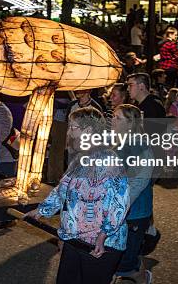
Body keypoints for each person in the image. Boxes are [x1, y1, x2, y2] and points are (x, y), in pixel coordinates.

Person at [26, 107, 130, 284]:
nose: (69, 132)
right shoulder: (80, 158)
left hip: (100, 244)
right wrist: (41, 211)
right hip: (75, 238)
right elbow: (63, 189)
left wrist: (104, 234)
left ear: (88, 131)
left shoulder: (108, 160)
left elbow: (120, 202)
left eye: (73, 128)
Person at [113, 104, 154, 284]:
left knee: (126, 264)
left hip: (134, 211)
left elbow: (139, 181)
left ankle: (143, 277)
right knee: (114, 255)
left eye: (118, 118)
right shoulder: (118, 142)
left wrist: (121, 206)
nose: (112, 120)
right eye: (113, 116)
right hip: (120, 209)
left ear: (130, 123)